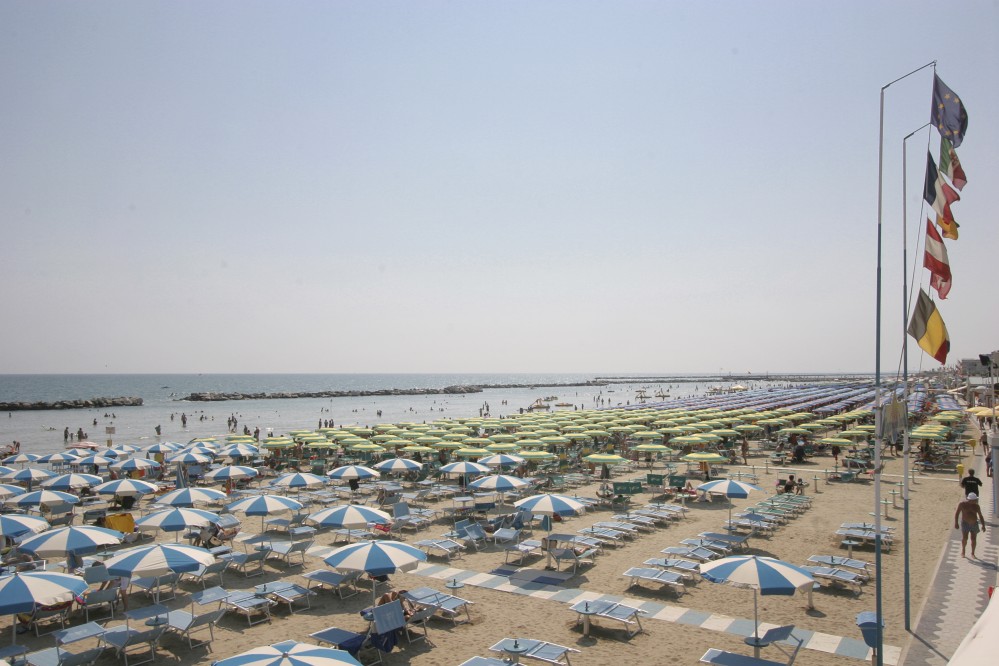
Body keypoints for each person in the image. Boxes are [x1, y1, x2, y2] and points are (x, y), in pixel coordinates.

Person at [954, 493, 987, 558]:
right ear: (970, 500)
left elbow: (980, 516)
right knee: (965, 538)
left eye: (976, 500)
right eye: (974, 500)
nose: (976, 501)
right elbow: (957, 513)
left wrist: (983, 525)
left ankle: (972, 553)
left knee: (973, 539)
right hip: (965, 523)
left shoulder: (976, 506)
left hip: (974, 523)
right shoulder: (962, 504)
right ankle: (963, 551)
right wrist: (956, 523)